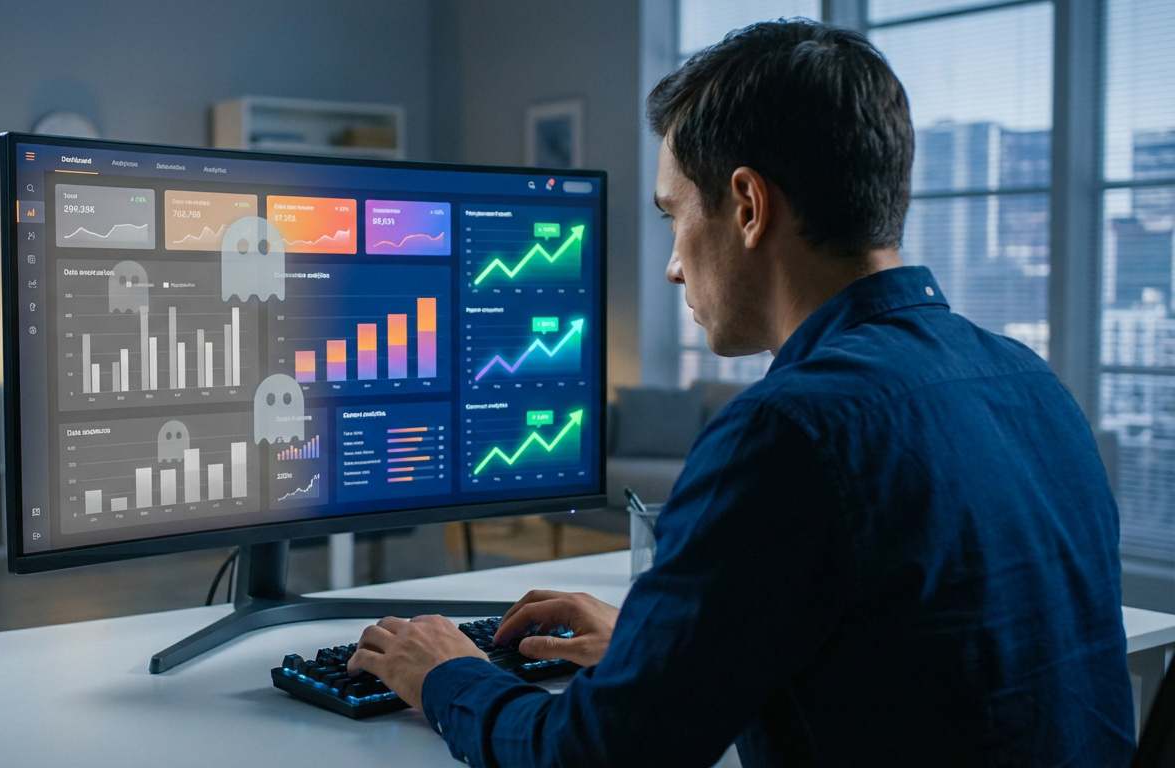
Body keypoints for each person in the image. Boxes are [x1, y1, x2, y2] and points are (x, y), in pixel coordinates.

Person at [348, 19, 1135, 767]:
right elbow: (916, 653)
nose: (674, 265)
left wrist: (444, 672)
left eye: (674, 216)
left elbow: (590, 754)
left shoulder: (789, 430)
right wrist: (661, 646)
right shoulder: (1032, 383)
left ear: (749, 207)